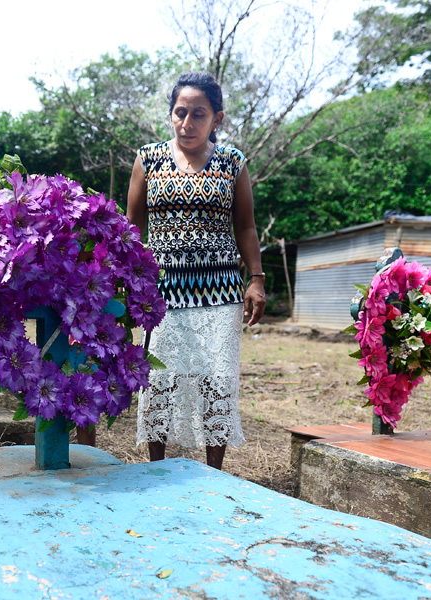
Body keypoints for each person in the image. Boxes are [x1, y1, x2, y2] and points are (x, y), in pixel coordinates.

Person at [127, 72, 265, 470]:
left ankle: (214, 473)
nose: (187, 123)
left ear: (216, 119)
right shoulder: (148, 159)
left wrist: (256, 278)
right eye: (180, 112)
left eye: (198, 115)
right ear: (171, 114)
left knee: (215, 380)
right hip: (163, 292)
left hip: (219, 292)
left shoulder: (232, 162)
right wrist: (129, 280)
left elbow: (245, 226)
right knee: (159, 381)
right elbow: (132, 228)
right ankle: (156, 467)